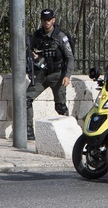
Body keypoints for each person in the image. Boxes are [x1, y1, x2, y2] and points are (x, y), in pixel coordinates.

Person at [26, 9, 75, 141]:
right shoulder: (37, 35)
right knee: (25, 99)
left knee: (60, 107)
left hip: (58, 75)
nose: (46, 22)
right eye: (44, 20)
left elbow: (70, 57)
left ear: (53, 20)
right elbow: (31, 52)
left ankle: (69, 132)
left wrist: (67, 75)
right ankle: (28, 131)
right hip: (42, 74)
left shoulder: (60, 36)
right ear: (41, 20)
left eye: (49, 20)